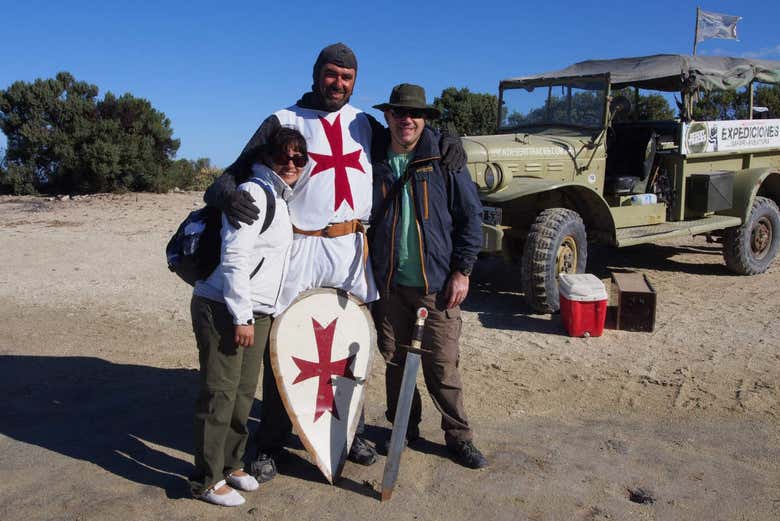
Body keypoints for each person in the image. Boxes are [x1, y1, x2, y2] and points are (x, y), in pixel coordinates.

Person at [204, 43, 466, 476]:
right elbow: (230, 174)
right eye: (331, 75)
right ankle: (271, 442)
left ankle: (349, 431)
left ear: (354, 81)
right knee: (286, 344)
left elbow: (412, 135)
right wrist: (227, 195)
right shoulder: (284, 120)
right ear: (316, 74)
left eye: (347, 78)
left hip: (350, 250)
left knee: (349, 345)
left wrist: (450, 137)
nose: (338, 84)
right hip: (301, 249)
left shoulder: (363, 122)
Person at [368, 83, 488, 469]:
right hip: (388, 284)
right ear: (387, 116)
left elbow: (471, 216)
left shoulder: (444, 158)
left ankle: (459, 436)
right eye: (400, 113)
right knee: (396, 362)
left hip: (435, 285)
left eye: (415, 114)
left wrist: (462, 270)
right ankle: (404, 428)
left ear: (425, 119)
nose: (407, 120)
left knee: (441, 364)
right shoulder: (372, 157)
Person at [189, 127, 306, 506]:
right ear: (267, 158)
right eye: (283, 157)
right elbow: (235, 258)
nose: (291, 164)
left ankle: (232, 464)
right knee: (219, 394)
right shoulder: (255, 193)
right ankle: (206, 480)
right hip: (224, 308)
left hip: (256, 312)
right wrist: (241, 316)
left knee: (242, 393)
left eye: (298, 158)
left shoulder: (281, 198)